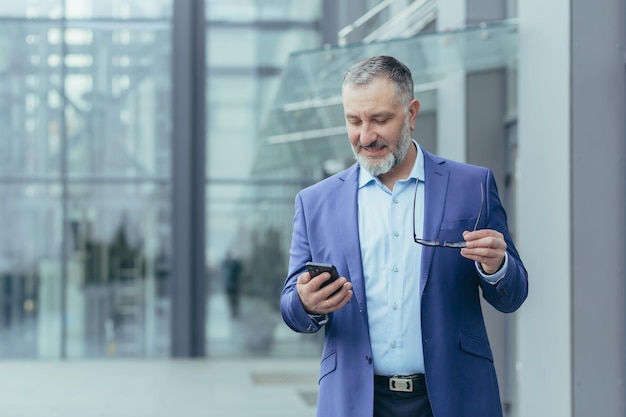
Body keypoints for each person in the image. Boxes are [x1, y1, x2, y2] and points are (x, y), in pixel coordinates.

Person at [280, 55, 528, 417]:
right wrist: (306, 302)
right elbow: (290, 307)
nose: (366, 136)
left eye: (380, 120)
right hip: (356, 401)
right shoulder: (315, 202)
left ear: (411, 113)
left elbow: (513, 295)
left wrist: (497, 266)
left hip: (453, 397)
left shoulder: (471, 185)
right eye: (354, 121)